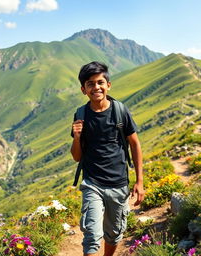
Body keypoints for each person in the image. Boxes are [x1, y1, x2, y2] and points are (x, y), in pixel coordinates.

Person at [71, 61, 144, 256]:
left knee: (113, 234)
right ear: (83, 89)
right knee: (92, 237)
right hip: (92, 183)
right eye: (90, 84)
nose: (96, 87)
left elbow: (135, 145)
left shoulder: (120, 111)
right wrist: (77, 137)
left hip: (118, 183)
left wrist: (139, 182)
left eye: (100, 82)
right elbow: (77, 157)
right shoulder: (81, 115)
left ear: (108, 85)